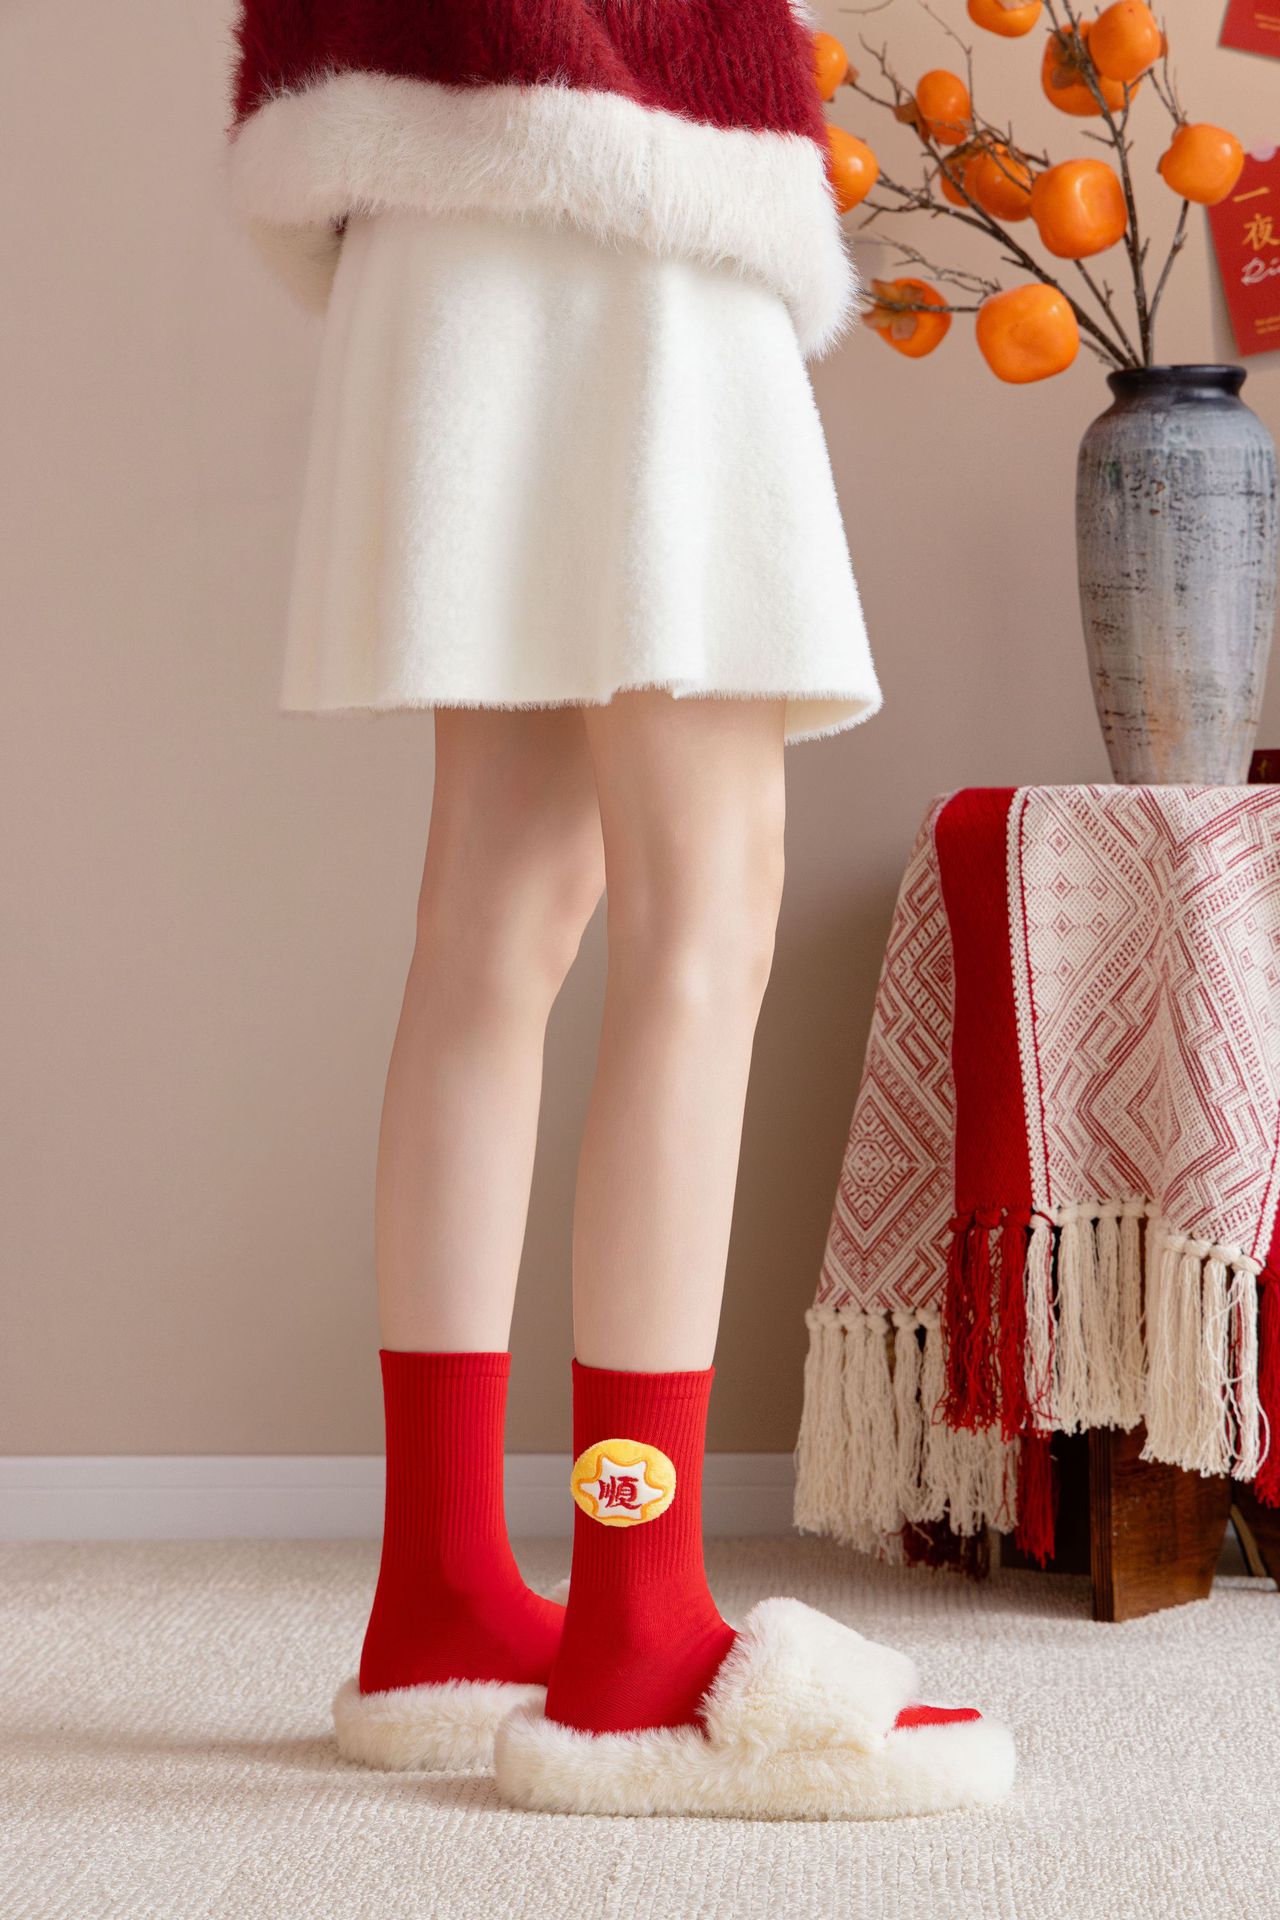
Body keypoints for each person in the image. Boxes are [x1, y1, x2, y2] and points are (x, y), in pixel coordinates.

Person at [228, 2, 1013, 1819]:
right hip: (638, 170)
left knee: (495, 916)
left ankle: (440, 1596)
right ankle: (640, 1630)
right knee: (704, 906)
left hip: (428, 192)